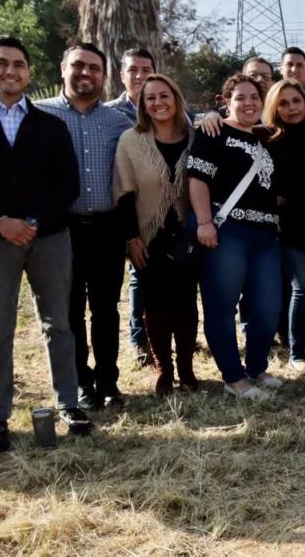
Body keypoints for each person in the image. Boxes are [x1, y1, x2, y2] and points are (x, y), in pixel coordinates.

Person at [0, 35, 93, 451]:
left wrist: (33, 222)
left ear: (29, 72)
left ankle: (69, 402)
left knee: (59, 324)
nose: (11, 71)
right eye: (2, 63)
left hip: (49, 237)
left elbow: (67, 184)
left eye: (19, 64)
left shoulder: (49, 124)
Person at [38, 43, 134, 410]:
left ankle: (109, 382)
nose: (86, 73)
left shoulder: (118, 122)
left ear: (104, 76)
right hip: (61, 229)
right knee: (70, 310)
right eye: (78, 65)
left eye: (94, 68)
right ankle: (80, 383)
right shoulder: (40, 115)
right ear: (63, 68)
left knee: (106, 308)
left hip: (107, 228)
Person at [188, 73, 283, 400]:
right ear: (225, 102)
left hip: (266, 236)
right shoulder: (213, 131)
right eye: (240, 97)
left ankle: (256, 367)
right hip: (229, 232)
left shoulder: (265, 138)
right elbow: (197, 179)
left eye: (254, 97)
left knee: (269, 306)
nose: (249, 103)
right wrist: (204, 222)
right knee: (221, 306)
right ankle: (233, 377)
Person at [113, 73, 198, 395]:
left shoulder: (196, 136)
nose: (159, 102)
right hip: (148, 235)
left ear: (176, 99)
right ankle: (165, 369)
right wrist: (131, 237)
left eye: (165, 96)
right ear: (142, 104)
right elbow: (123, 194)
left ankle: (187, 369)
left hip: (187, 235)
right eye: (151, 98)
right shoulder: (131, 141)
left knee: (188, 305)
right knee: (155, 307)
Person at [263, 79, 305, 372]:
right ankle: (296, 352)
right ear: (274, 108)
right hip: (287, 229)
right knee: (304, 287)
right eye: (283, 103)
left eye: (296, 101)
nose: (291, 108)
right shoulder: (268, 139)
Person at [106, 47, 157, 367]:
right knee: (138, 276)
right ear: (121, 74)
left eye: (145, 69)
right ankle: (139, 340)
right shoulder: (110, 115)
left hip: (165, 211)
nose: (139, 76)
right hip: (127, 210)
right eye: (133, 70)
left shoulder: (168, 107)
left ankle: (172, 335)